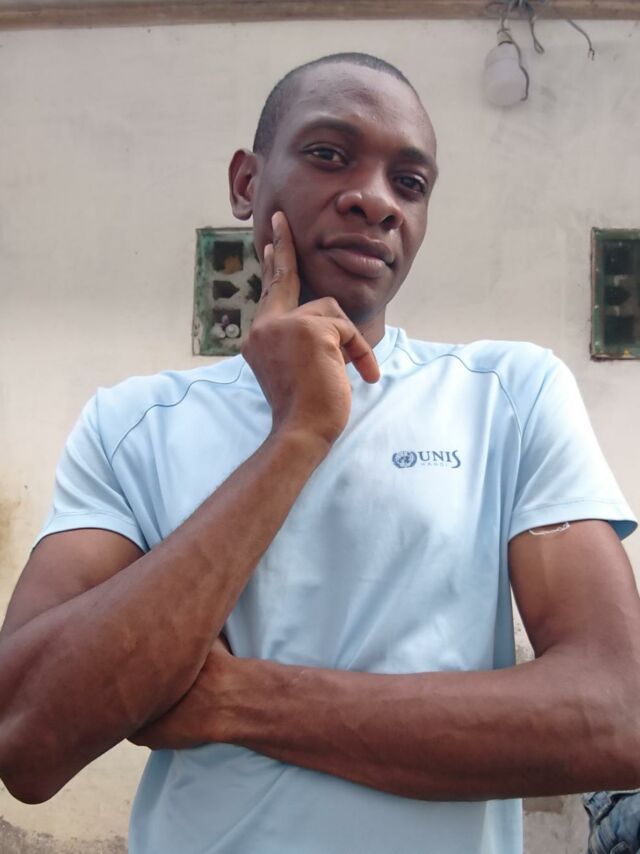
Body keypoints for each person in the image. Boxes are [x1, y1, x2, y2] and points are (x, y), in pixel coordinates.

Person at [0, 52, 639, 854]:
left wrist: (239, 701)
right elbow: (26, 739)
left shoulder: (508, 396)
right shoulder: (132, 424)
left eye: (410, 183)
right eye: (329, 154)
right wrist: (297, 436)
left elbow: (617, 713)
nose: (376, 199)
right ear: (246, 183)